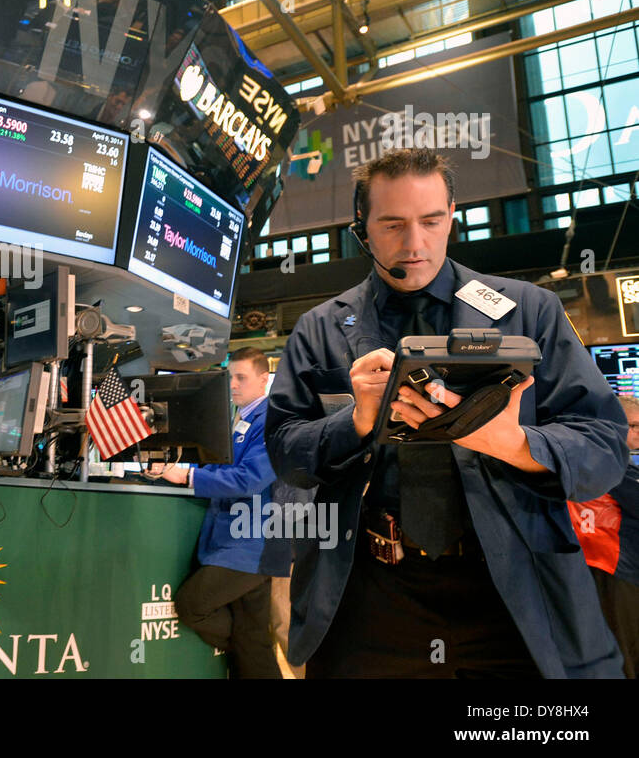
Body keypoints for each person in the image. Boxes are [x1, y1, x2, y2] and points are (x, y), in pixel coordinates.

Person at [266, 148, 629, 678]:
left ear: (452, 216)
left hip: (514, 594)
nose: (415, 244)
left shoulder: (529, 311)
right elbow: (284, 454)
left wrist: (515, 445)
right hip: (367, 601)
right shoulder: (321, 329)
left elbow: (605, 446)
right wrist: (356, 422)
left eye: (431, 221)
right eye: (392, 225)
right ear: (361, 229)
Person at [154, 347, 289, 678]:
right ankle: (250, 649)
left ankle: (247, 647)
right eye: (230, 378)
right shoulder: (237, 419)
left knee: (192, 605)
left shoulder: (271, 422)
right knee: (254, 638)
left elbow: (249, 480)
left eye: (241, 378)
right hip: (234, 542)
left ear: (263, 379)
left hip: (252, 545)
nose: (233, 385)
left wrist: (187, 476)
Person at [568, 393, 639, 678]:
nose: (637, 434)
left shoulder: (587, 456)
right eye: (634, 426)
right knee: (626, 655)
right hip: (614, 570)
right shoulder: (614, 464)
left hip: (595, 569)